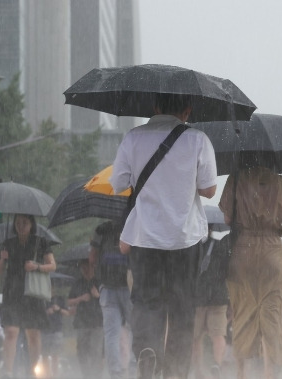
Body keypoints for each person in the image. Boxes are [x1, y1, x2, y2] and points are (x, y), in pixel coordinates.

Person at [110, 93, 218, 379]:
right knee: (182, 308)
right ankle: (174, 372)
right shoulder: (198, 139)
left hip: (145, 238)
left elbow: (118, 182)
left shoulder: (133, 138)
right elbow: (208, 190)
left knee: (146, 300)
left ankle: (147, 350)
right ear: (187, 109)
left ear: (155, 106)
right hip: (184, 239)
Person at [219, 166, 282, 379]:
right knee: (272, 313)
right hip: (272, 250)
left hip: (243, 250)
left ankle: (241, 373)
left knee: (242, 313)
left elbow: (228, 219)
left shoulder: (236, 178)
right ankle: (269, 373)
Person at [0, 214, 56, 379]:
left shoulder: (40, 242)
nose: (21, 226)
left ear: (31, 224)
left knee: (33, 333)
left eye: (25, 223)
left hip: (31, 291)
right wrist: (2, 258)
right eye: (18, 223)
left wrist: (36, 266)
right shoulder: (8, 243)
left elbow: (52, 265)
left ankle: (33, 371)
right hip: (12, 290)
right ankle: (7, 372)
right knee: (11, 330)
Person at [89, 220, 133, 379]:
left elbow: (92, 258)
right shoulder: (134, 223)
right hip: (130, 286)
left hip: (107, 287)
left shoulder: (101, 229)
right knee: (134, 329)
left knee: (111, 334)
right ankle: (133, 369)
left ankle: (115, 373)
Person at [192, 228, 229, 379]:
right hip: (218, 298)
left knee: (196, 337)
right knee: (218, 334)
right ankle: (217, 364)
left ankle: (198, 371)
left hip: (197, 297)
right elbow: (228, 272)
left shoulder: (192, 246)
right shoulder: (221, 246)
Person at [68, 259, 103, 378]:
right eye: (82, 268)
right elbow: (69, 301)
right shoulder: (77, 283)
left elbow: (109, 302)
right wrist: (80, 298)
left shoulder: (100, 282)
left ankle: (95, 375)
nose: (84, 270)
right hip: (81, 322)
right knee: (81, 352)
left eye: (86, 267)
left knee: (96, 351)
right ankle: (86, 375)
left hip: (97, 322)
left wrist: (98, 296)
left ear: (93, 267)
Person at [42, 291, 68, 378]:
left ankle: (55, 375)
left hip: (57, 330)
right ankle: (47, 375)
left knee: (55, 354)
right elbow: (37, 314)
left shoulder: (60, 299)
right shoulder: (42, 300)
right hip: (45, 330)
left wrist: (59, 309)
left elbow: (67, 313)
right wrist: (46, 312)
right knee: (44, 354)